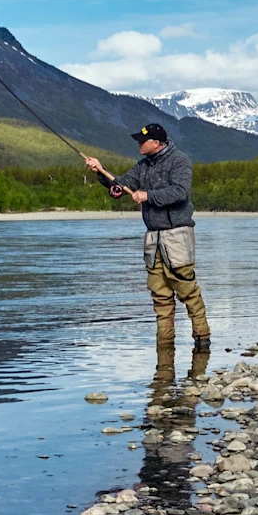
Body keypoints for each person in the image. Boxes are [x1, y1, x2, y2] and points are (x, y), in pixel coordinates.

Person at [84, 124, 211, 349]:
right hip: (153, 239)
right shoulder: (143, 165)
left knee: (188, 291)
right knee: (160, 297)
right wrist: (100, 171)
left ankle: (202, 341)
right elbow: (120, 185)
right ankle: (165, 348)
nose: (139, 144)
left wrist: (147, 196)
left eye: (142, 141)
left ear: (157, 142)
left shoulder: (179, 160)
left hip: (177, 235)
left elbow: (180, 192)